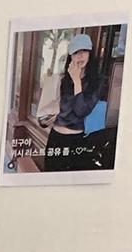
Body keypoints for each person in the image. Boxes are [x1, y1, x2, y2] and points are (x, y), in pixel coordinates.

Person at [43, 31, 104, 172]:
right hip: (56, 138)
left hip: (78, 141)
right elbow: (48, 110)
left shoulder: (97, 82)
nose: (80, 56)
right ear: (71, 56)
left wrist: (77, 81)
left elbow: (80, 110)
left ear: (90, 54)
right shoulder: (62, 80)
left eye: (84, 51)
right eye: (76, 52)